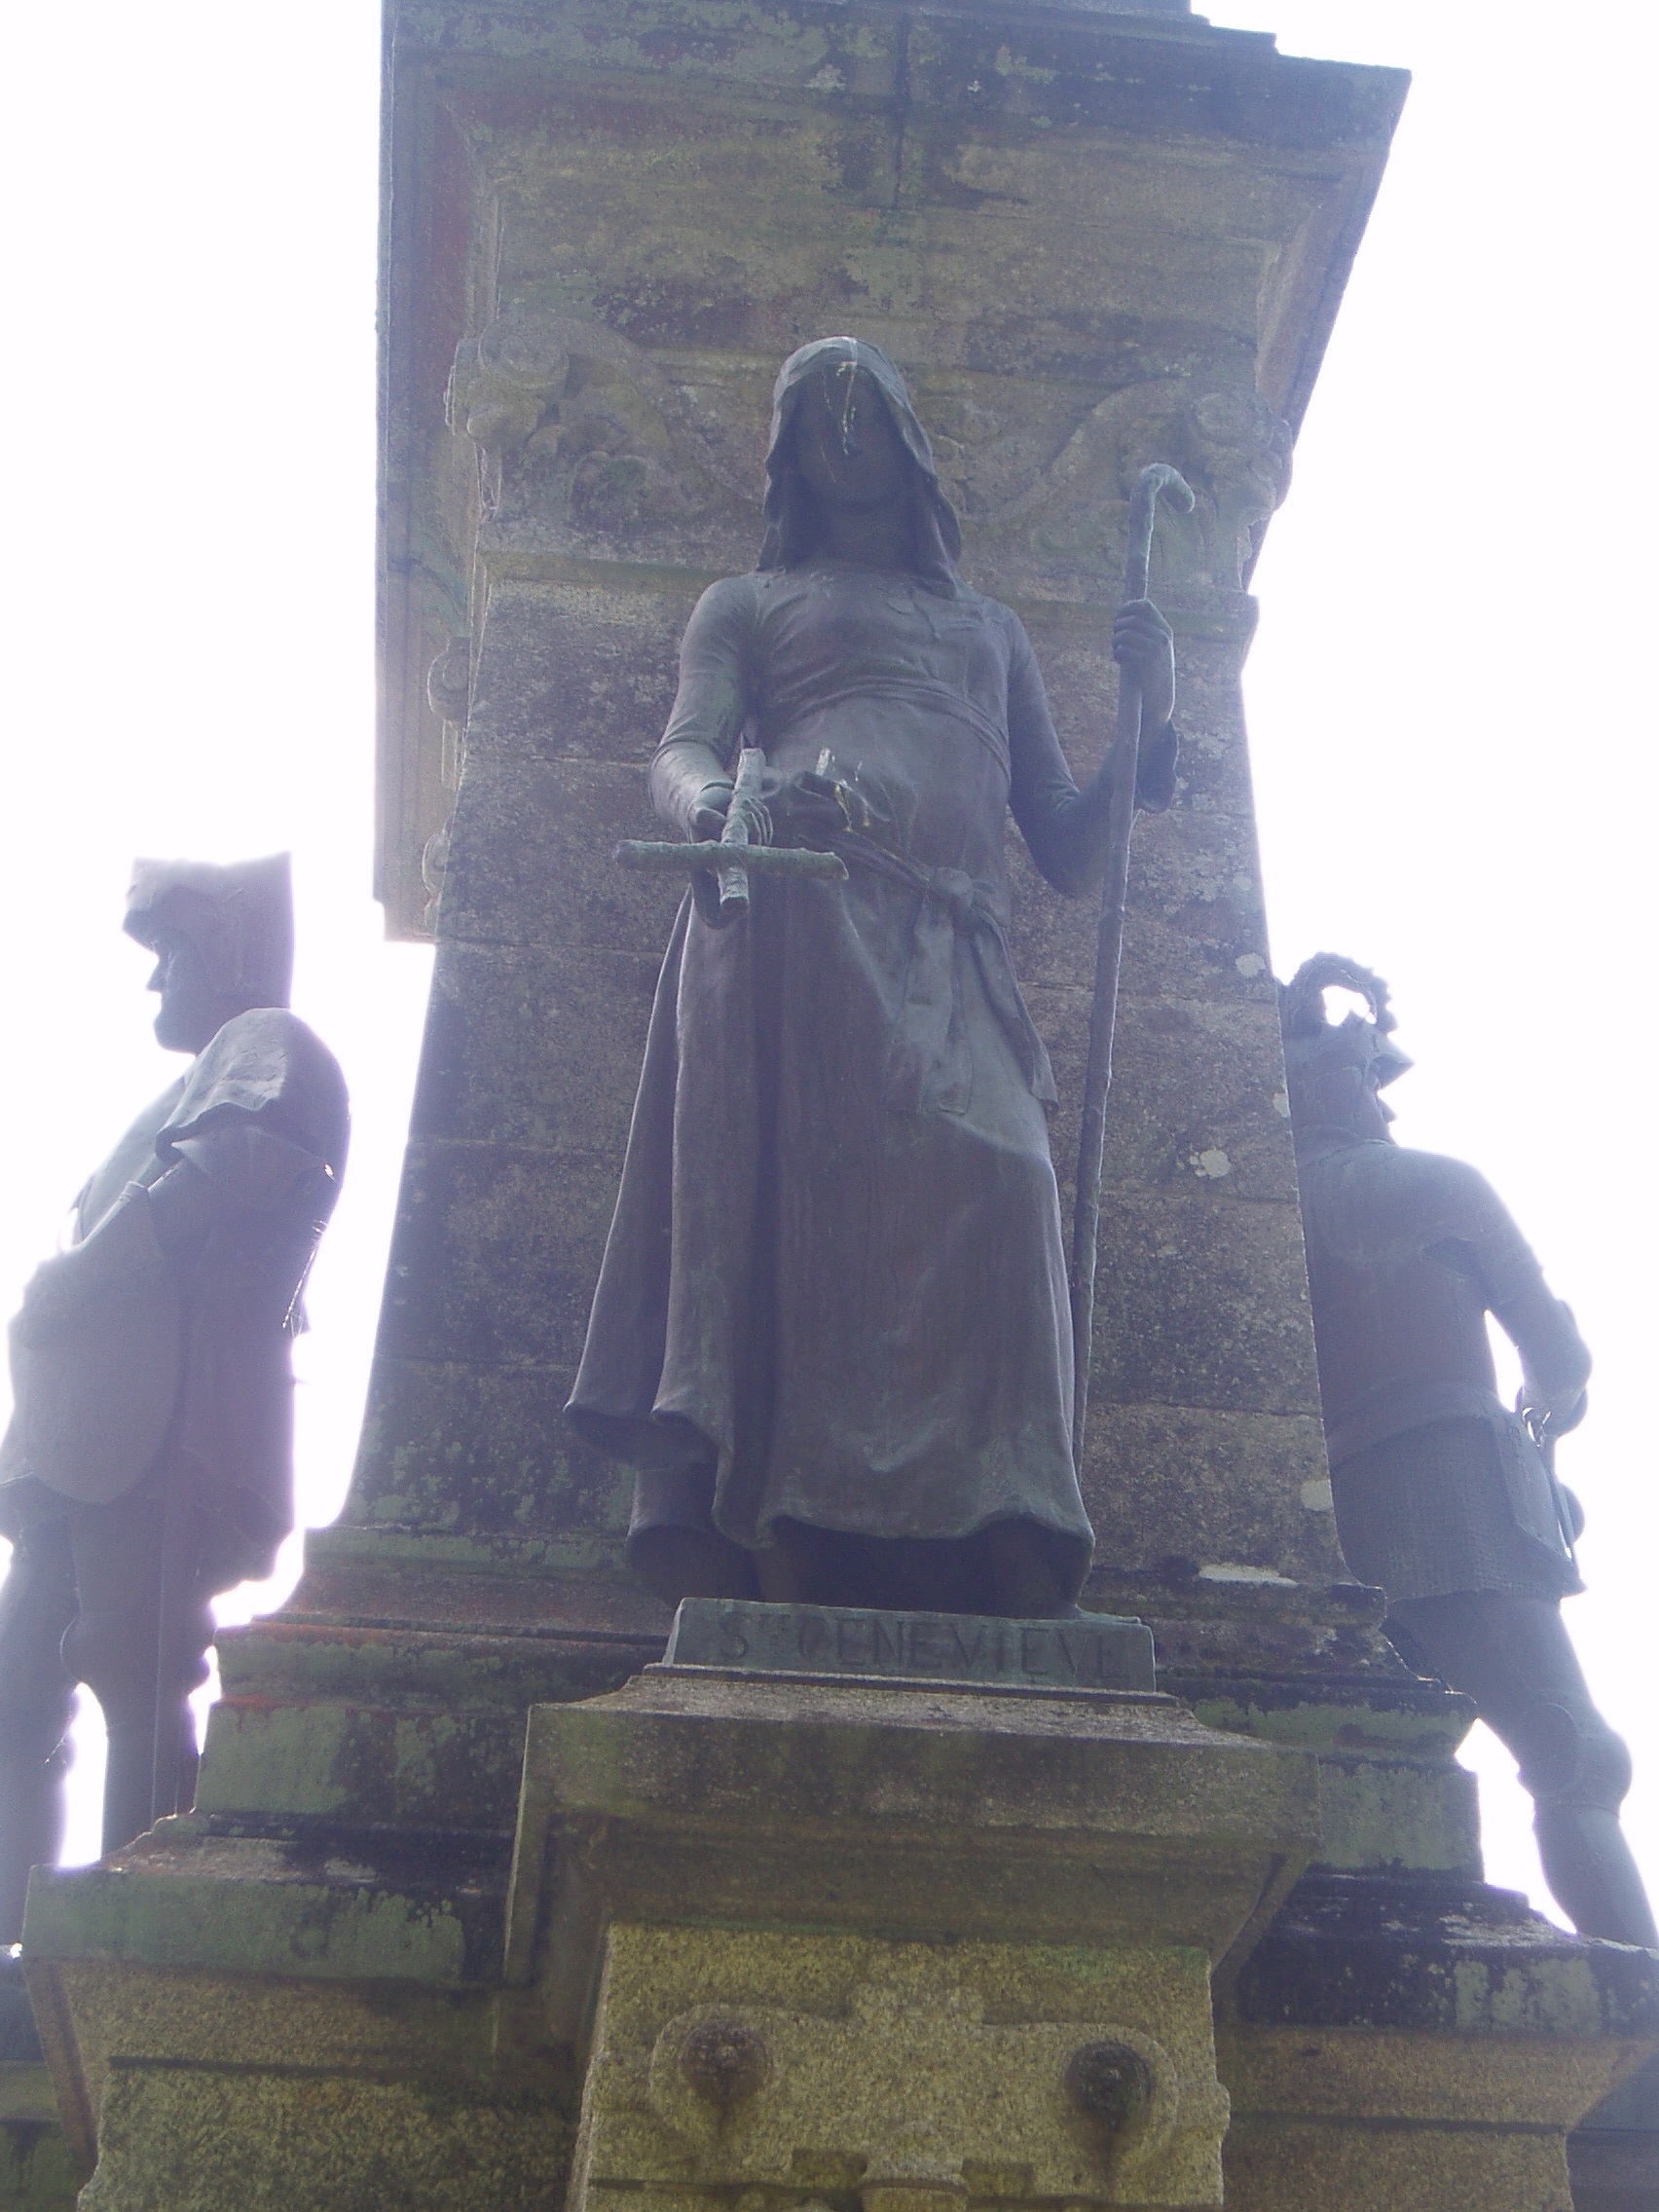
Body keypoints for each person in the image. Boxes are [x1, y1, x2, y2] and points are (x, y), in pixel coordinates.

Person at [569, 335, 1178, 1620]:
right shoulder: (748, 603)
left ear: (913, 447)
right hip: (796, 924)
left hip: (954, 953)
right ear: (790, 456)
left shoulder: (987, 629)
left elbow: (1068, 846)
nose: (845, 441)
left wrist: (1148, 721)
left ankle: (1012, 1522)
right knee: (810, 1238)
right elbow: (682, 748)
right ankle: (790, 1526)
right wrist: (726, 808)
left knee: (1005, 1186)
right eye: (815, 418)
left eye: (867, 416)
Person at [0, 856, 348, 1942]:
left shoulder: (267, 1042)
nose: (156, 986)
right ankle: (22, 1921)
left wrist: (81, 1271)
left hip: (156, 1439)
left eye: (173, 956)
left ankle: (120, 1920)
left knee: (130, 1663)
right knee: (21, 1689)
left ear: (231, 952)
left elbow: (235, 1165)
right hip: (90, 1442)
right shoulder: (196, 1073)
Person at [1281, 952, 1656, 1946]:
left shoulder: (1272, 1212)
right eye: (1367, 1075)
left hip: (1339, 1510)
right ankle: (1645, 2010)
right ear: (1320, 1076)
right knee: (1574, 1751)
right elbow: (1558, 1350)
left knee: (1397, 1754)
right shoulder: (1434, 1182)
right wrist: (1553, 1399)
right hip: (1455, 1496)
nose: (1384, 1102)